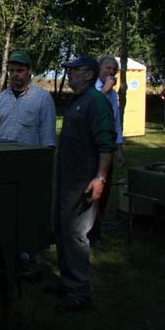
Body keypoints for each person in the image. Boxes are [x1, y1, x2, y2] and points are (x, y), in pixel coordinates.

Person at [49, 55, 115, 311]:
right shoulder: (78, 100)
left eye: (75, 70)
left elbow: (106, 144)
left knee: (76, 234)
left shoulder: (97, 102)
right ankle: (67, 281)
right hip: (67, 179)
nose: (69, 74)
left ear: (89, 74)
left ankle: (79, 291)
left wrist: (100, 178)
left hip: (84, 182)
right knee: (62, 229)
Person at [0, 49, 57, 148]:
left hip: (29, 157)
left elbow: (48, 139)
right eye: (11, 71)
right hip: (1, 156)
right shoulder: (1, 98)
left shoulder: (43, 98)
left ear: (30, 70)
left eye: (20, 70)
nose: (15, 74)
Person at [88, 55, 124, 251]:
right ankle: (86, 231)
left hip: (107, 147)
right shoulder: (92, 90)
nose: (111, 72)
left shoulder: (113, 94)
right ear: (99, 69)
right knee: (90, 189)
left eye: (114, 70)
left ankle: (96, 231)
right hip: (91, 148)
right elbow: (93, 109)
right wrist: (105, 90)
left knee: (104, 189)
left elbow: (116, 122)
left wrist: (119, 148)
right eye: (107, 68)